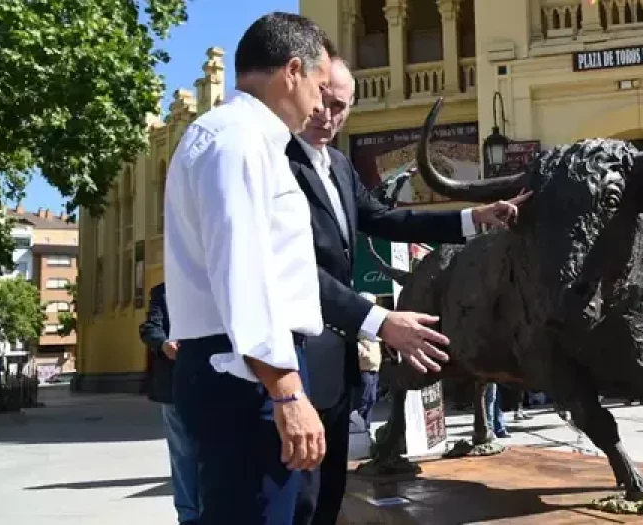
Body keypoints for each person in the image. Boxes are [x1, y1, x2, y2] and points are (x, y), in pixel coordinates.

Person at [285, 57, 527, 525]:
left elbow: (390, 219)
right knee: (295, 498)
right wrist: (379, 322)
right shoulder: (274, 164)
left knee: (327, 498)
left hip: (336, 365)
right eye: (321, 102)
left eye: (340, 107)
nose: (327, 116)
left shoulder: (337, 165)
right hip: (292, 361)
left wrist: (472, 219)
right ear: (306, 91)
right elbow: (295, 271)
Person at [163, 12, 335, 525]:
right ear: (293, 71)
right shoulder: (236, 141)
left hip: (251, 370)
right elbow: (245, 274)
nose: (321, 103)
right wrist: (287, 393)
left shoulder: (247, 140)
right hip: (248, 376)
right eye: (320, 87)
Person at [139, 283, 200, 525]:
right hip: (175, 387)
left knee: (213, 452)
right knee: (183, 454)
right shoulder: (163, 291)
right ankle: (189, 517)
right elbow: (150, 329)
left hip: (215, 384)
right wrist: (164, 344)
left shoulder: (219, 281)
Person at [355, 293, 382, 429]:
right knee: (363, 400)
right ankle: (359, 427)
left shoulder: (372, 321)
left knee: (371, 399)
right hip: (364, 367)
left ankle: (367, 427)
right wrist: (363, 352)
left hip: (373, 367)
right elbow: (355, 338)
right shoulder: (359, 320)